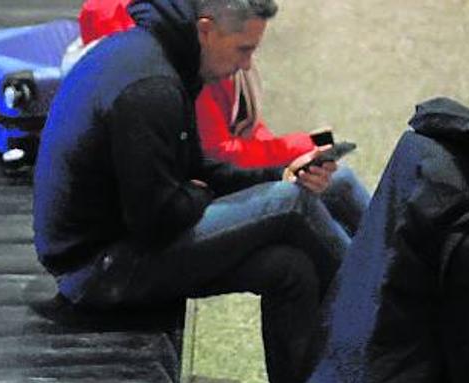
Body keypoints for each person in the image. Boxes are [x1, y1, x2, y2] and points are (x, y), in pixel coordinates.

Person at [33, 0, 374, 383]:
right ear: (208, 31)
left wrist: (275, 172)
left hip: (123, 245)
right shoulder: (151, 86)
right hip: (97, 269)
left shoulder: (160, 56)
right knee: (291, 205)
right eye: (243, 49)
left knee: (289, 265)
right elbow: (157, 218)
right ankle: (391, 318)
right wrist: (221, 192)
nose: (247, 64)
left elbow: (193, 169)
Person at [72, 0, 370, 233]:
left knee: (293, 254)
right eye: (244, 51)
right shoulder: (190, 55)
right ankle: (389, 285)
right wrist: (298, 150)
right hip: (155, 218)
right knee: (304, 204)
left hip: (189, 189)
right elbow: (215, 153)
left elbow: (245, 126)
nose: (247, 62)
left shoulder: (219, 35)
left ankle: (385, 284)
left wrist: (301, 151)